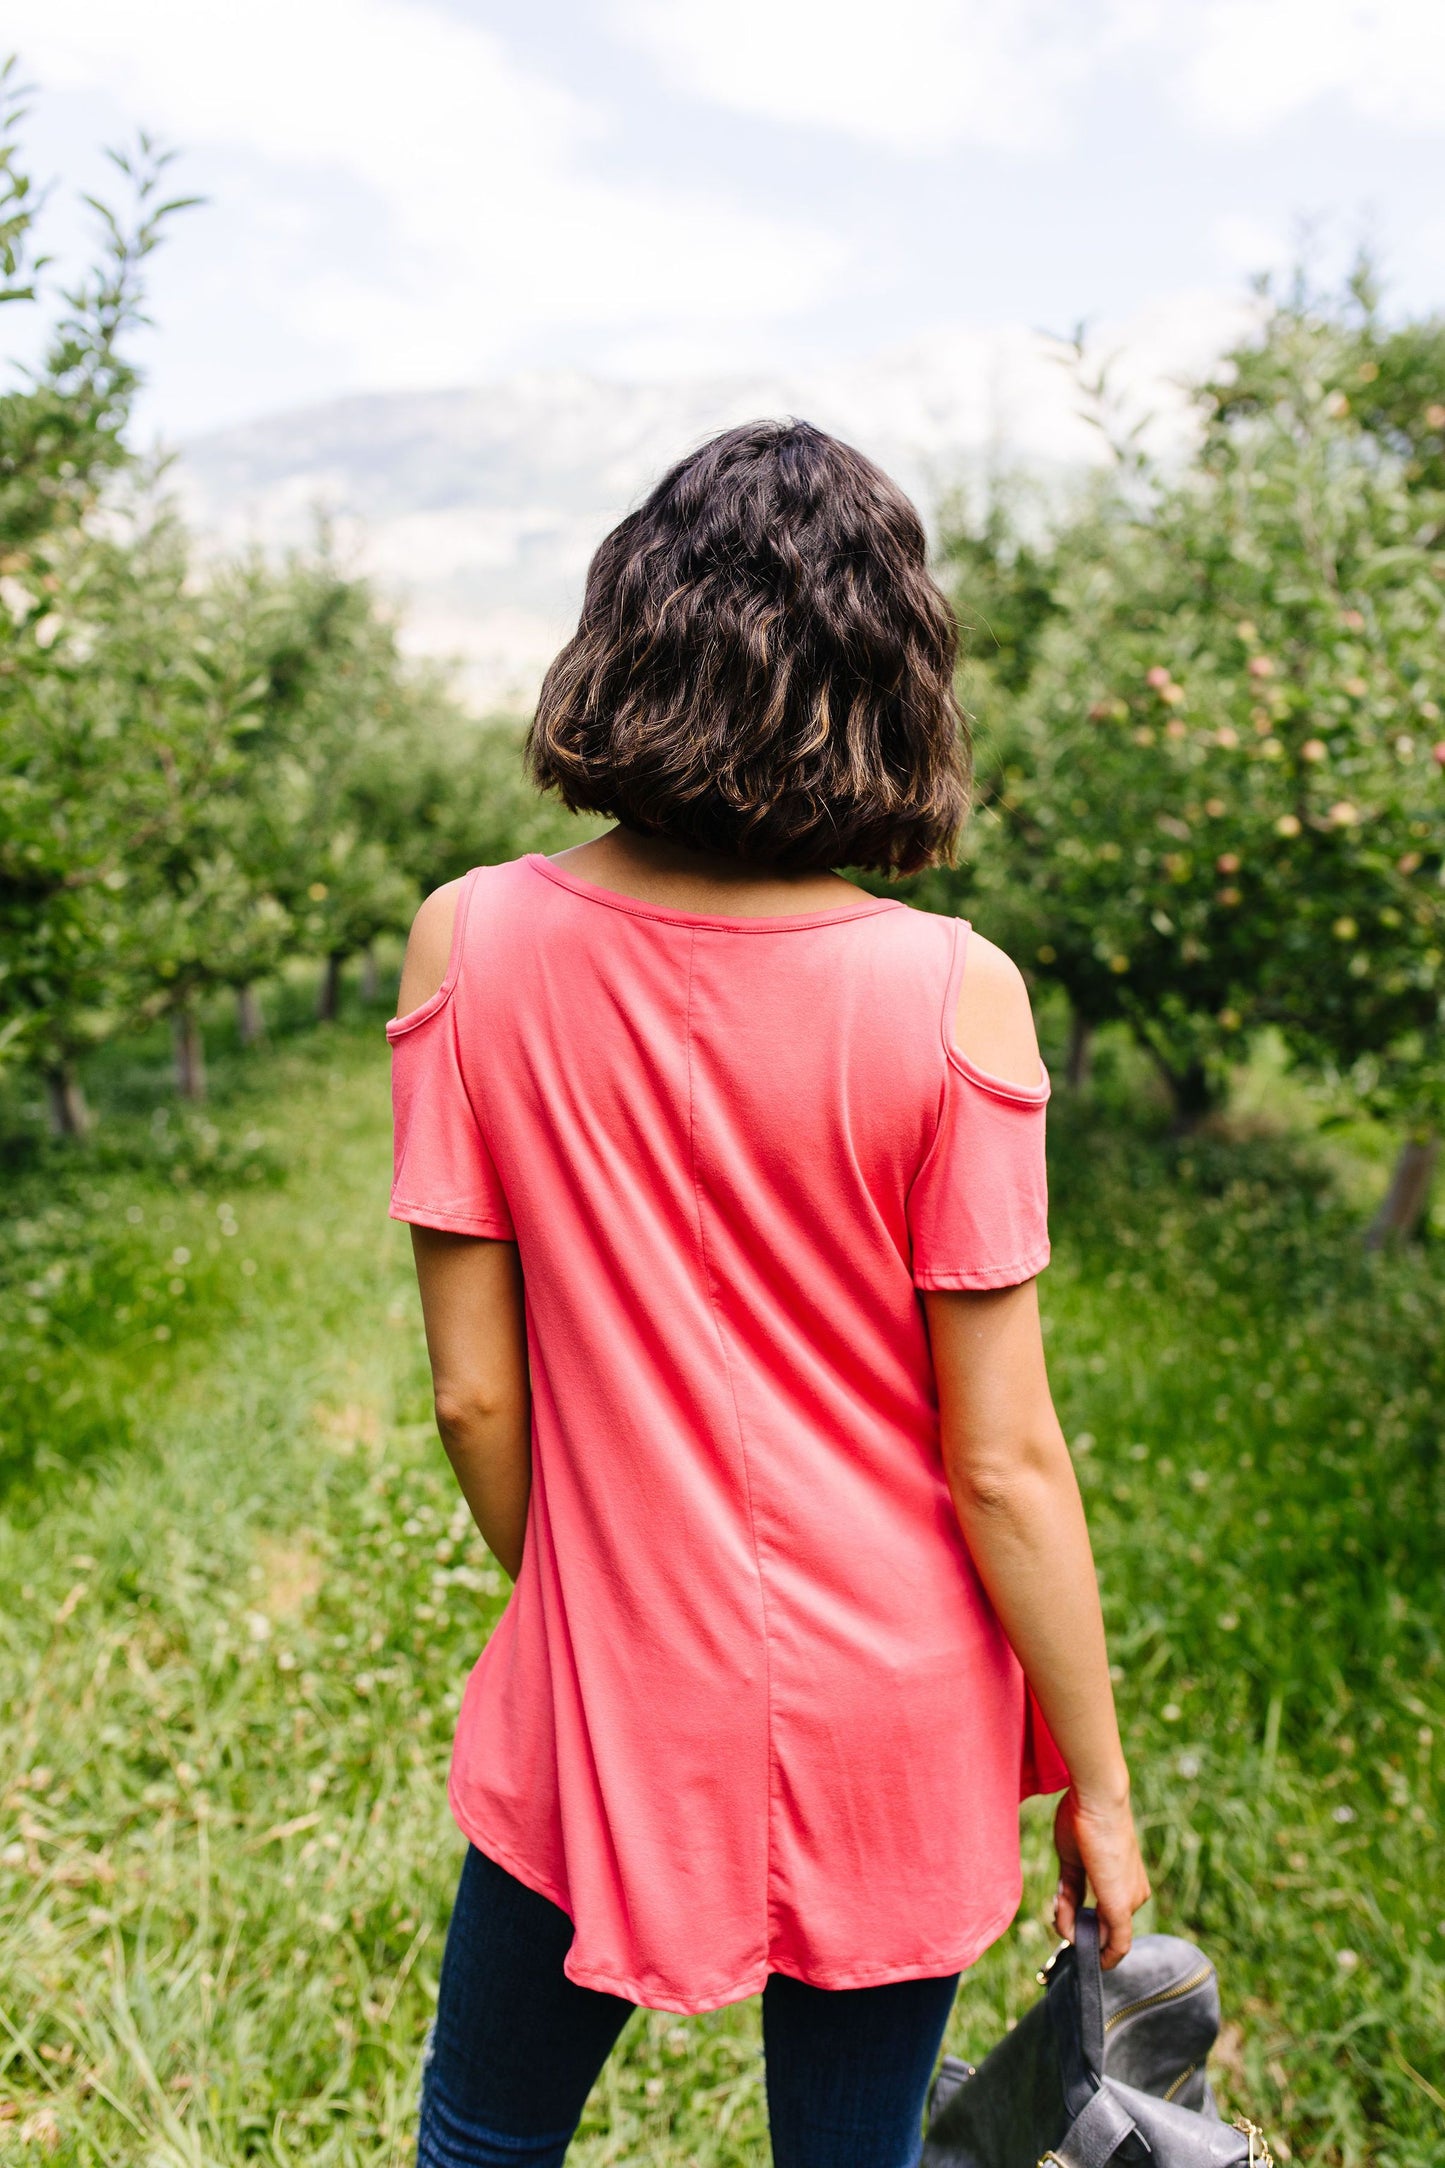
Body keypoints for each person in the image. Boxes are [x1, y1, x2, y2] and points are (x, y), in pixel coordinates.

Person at [388, 419, 1149, 2168]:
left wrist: (592, 1597)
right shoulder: (954, 995)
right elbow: (1003, 1459)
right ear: (892, 680)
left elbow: (473, 1397)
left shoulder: (472, 943)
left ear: (628, 634)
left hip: (605, 1673)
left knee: (486, 2139)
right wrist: (1097, 1789)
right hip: (896, 1693)